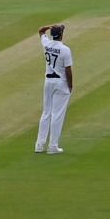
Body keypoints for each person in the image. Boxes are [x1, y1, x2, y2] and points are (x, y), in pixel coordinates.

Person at [35, 24, 74, 155]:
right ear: (61, 35)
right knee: (57, 114)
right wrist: (71, 86)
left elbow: (41, 31)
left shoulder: (47, 44)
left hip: (48, 82)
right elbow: (68, 70)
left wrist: (50, 26)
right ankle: (53, 146)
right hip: (61, 83)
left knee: (46, 113)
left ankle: (39, 145)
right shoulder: (65, 50)